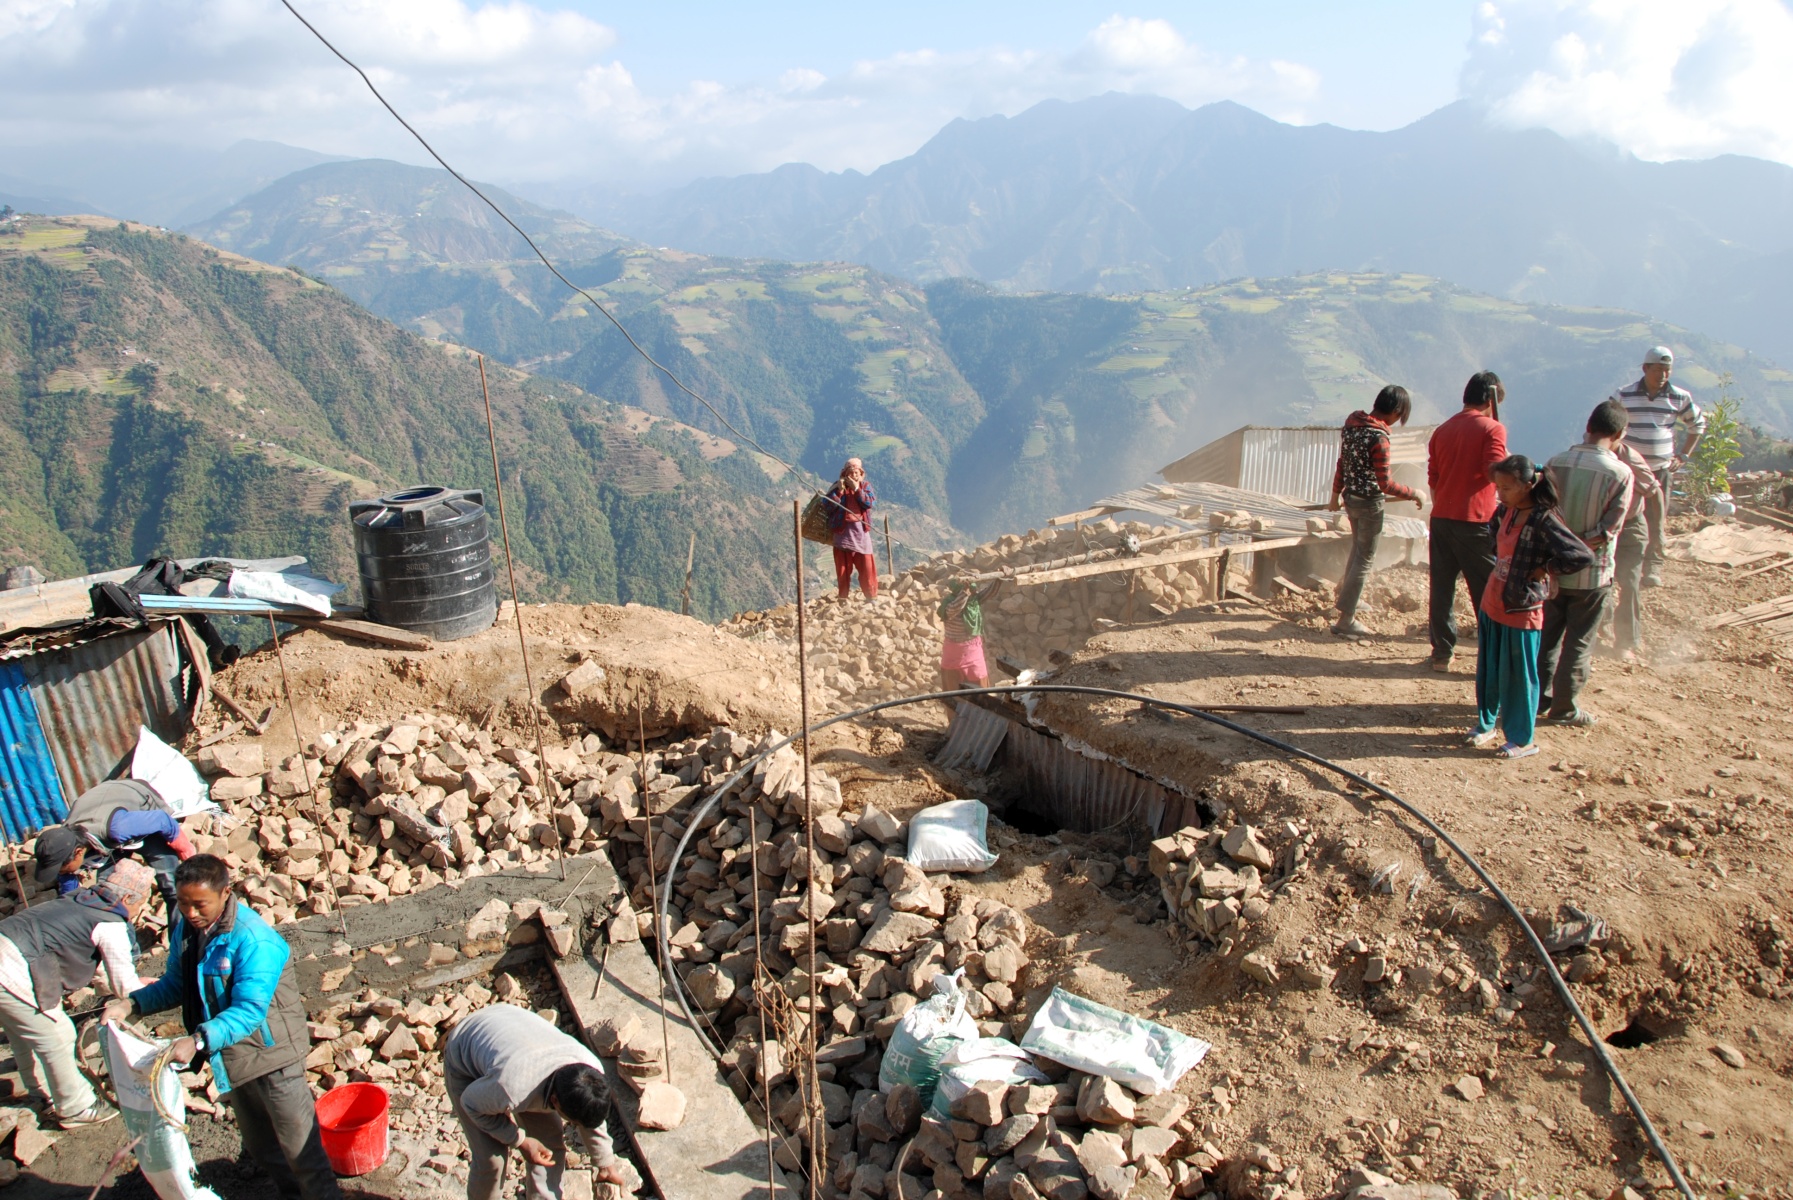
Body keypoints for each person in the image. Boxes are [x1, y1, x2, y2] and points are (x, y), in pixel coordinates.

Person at [104, 855, 339, 1200]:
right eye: (183, 903)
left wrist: (198, 1040)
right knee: (263, 1147)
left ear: (225, 893)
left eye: (200, 905)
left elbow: (248, 1011)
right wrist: (133, 1004)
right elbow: (176, 983)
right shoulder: (188, 928)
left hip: (273, 1055)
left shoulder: (254, 940)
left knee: (300, 1149)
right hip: (232, 1054)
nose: (190, 912)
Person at [0, 860, 155, 1128]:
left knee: (23, 1031)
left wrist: (124, 982)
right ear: (128, 897)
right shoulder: (110, 921)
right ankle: (76, 1107)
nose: (138, 911)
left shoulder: (80, 900)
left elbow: (100, 972)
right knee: (58, 1034)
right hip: (11, 969)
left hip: (6, 951)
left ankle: (39, 1092)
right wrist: (155, 992)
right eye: (140, 904)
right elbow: (124, 988)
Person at [1470, 457, 1596, 760]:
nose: (1501, 494)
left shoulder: (1544, 519)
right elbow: (1494, 537)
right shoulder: (1505, 511)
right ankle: (1486, 724)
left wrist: (1545, 569)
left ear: (1529, 485)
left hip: (1520, 608)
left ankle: (1522, 739)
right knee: (1489, 669)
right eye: (1498, 487)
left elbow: (1581, 555)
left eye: (1507, 488)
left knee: (1519, 676)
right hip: (1493, 601)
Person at [442, 1003, 628, 1200]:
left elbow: (590, 1115)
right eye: (572, 1122)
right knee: (492, 1160)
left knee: (548, 1147)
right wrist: (520, 1140)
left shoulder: (590, 1071)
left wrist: (605, 1164)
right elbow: (470, 1103)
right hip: (465, 1051)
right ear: (555, 1101)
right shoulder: (511, 1088)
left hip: (514, 1036)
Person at [1539, 402, 1636, 725]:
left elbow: (1542, 514)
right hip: (1592, 574)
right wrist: (1579, 546)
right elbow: (1609, 530)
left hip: (1551, 569)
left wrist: (1559, 548)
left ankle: (1536, 699)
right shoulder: (1621, 474)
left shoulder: (1555, 463)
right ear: (1620, 435)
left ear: (1589, 425)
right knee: (1579, 641)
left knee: (1547, 637)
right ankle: (1565, 708)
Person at [1425, 371, 1509, 671]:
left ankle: (1442, 654)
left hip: (1442, 518)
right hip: (1476, 520)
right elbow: (1496, 473)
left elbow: (1433, 478)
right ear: (1491, 399)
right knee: (1486, 591)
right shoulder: (1492, 429)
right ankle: (1494, 654)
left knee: (1442, 588)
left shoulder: (1442, 430)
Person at [1328, 384, 1424, 637]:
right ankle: (1346, 619)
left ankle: (1350, 599)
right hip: (1370, 504)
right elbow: (1386, 484)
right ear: (1395, 411)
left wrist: (1335, 494)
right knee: (1365, 557)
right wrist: (1414, 493)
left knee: (1357, 551)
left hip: (1351, 499)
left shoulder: (1352, 425)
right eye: (1399, 417)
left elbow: (1342, 463)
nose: (1397, 422)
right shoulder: (1379, 438)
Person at [1611, 346, 1704, 589]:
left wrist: (1683, 455)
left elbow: (1697, 425)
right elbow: (1609, 421)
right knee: (1623, 514)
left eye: (1667, 370)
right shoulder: (1625, 395)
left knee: (1656, 517)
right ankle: (1620, 562)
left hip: (1660, 468)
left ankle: (1652, 565)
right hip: (1627, 469)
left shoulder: (1680, 397)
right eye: (1658, 369)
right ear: (1645, 369)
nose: (1663, 375)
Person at [35, 778, 195, 914]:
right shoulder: (65, 843)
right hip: (106, 831)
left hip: (137, 805)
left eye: (62, 869)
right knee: (108, 895)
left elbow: (162, 820)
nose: (61, 873)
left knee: (172, 886)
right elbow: (69, 889)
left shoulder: (120, 827)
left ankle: (183, 946)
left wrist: (185, 848)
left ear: (78, 853)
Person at [1608, 437, 1662, 661]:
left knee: (1629, 582)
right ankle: (1602, 625)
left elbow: (1654, 491)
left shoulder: (1630, 459)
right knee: (1602, 581)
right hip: (1605, 526)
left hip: (1630, 526)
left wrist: (1658, 532)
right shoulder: (1593, 455)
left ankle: (1626, 640)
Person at [826, 458, 878, 601]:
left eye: (856, 472)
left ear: (861, 473)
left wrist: (856, 489)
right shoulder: (837, 487)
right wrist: (840, 492)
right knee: (843, 569)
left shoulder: (865, 486)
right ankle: (843, 598)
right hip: (843, 534)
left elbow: (869, 503)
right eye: (851, 472)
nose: (854, 475)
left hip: (861, 533)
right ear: (845, 474)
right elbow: (827, 506)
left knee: (866, 566)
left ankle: (871, 597)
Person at [939, 578, 1001, 692]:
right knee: (953, 694)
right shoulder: (948, 603)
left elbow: (988, 592)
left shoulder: (973, 600)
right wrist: (965, 593)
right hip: (953, 654)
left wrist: (999, 579)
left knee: (980, 689)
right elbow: (955, 608)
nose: (973, 591)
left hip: (972, 652)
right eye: (970, 589)